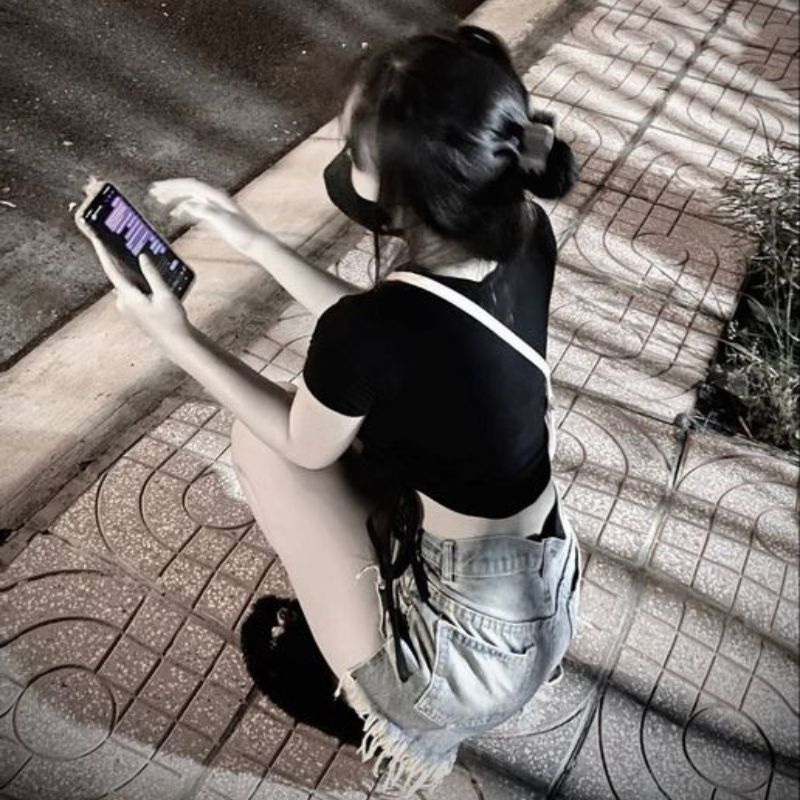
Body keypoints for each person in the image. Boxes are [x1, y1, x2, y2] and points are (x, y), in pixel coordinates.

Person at [76, 25, 582, 797]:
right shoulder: (523, 230)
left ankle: (376, 702)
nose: (344, 157)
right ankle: (368, 607)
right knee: (351, 418)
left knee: (263, 443)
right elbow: (397, 336)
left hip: (455, 662)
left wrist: (174, 336)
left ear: (404, 187)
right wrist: (247, 237)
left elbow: (306, 438)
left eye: (354, 148)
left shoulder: (375, 331)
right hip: (543, 589)